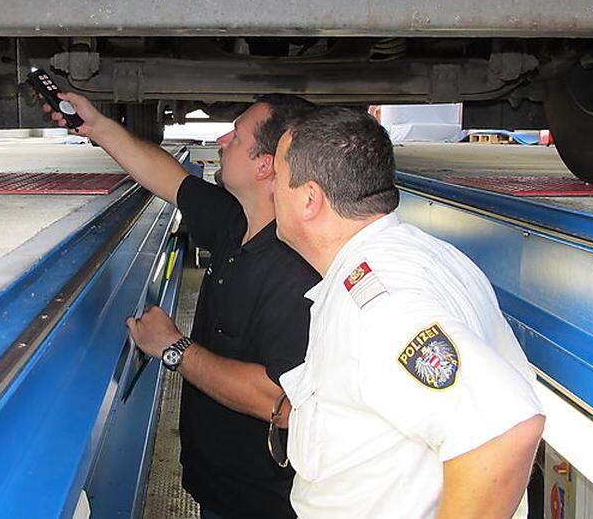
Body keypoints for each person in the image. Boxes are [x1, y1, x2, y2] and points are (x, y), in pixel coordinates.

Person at [44, 93, 319, 519]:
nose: (223, 139)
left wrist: (174, 348)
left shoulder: (296, 271)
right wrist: (95, 124)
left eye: (237, 134)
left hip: (263, 505)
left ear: (266, 165)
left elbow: (278, 401)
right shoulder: (236, 220)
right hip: (218, 485)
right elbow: (166, 175)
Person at [270, 106, 545, 519]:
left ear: (310, 199)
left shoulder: (380, 303)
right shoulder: (418, 255)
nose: (270, 190)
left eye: (276, 178)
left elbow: (504, 430)